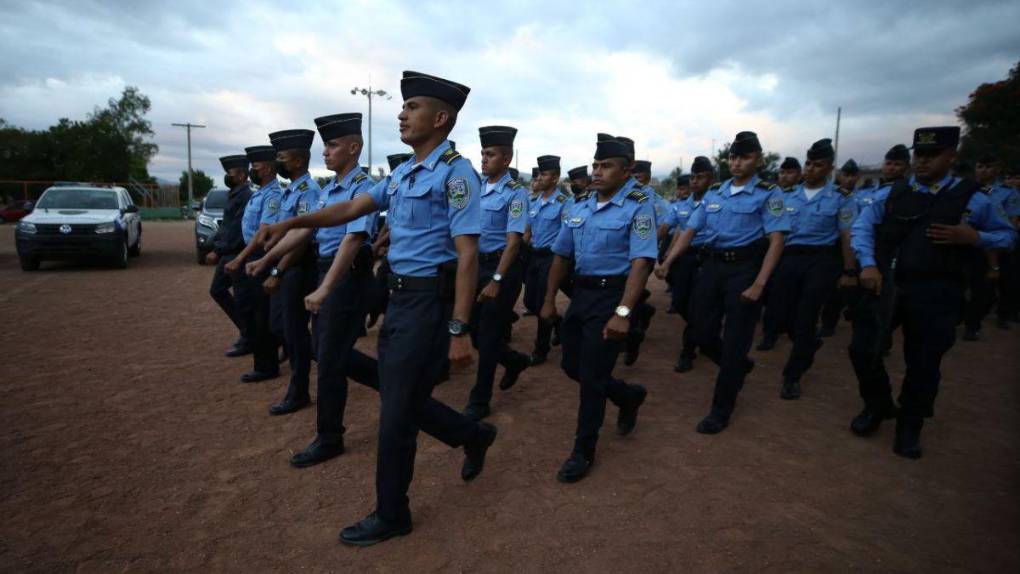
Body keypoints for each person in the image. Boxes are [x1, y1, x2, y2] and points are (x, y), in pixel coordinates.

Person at [257, 70, 498, 546]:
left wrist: (459, 328)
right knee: (402, 401)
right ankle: (471, 435)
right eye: (403, 107)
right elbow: (349, 210)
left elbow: (468, 254)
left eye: (412, 108)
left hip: (431, 301)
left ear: (441, 117)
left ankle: (393, 512)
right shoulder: (404, 174)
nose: (402, 114)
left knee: (395, 417)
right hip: (399, 297)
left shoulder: (457, 174)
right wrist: (294, 220)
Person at [849, 126, 1015, 459]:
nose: (922, 161)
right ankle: (878, 404)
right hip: (888, 284)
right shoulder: (890, 194)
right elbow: (862, 227)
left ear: (951, 156)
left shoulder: (973, 199)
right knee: (862, 349)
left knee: (923, 362)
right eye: (918, 155)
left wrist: (975, 239)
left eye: (931, 155)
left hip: (938, 290)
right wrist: (867, 264)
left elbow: (1009, 236)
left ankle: (911, 424)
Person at [656, 131, 790, 434]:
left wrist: (760, 283)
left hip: (745, 269)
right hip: (713, 267)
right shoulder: (716, 192)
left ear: (756, 159)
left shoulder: (769, 193)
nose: (737, 162)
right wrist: (668, 261)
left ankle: (721, 408)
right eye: (732, 157)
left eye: (743, 157)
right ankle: (739, 366)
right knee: (701, 331)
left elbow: (777, 240)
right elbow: (689, 230)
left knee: (734, 341)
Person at [540, 133, 655, 482]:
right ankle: (627, 395)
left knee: (591, 379)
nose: (598, 172)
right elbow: (561, 254)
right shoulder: (580, 205)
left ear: (626, 171)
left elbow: (642, 261)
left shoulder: (638, 205)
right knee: (572, 366)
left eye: (606, 166)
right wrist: (547, 300)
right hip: (582, 295)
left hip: (612, 296)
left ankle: (582, 450)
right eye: (596, 165)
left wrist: (623, 312)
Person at [766, 139, 858, 399]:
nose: (810, 169)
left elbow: (846, 235)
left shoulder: (841, 198)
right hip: (789, 258)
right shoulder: (784, 196)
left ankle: (792, 375)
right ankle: (808, 344)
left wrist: (849, 271)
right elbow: (773, 231)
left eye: (818, 165)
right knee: (781, 315)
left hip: (821, 260)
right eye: (808, 163)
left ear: (829, 168)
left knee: (806, 316)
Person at [462, 125, 531, 421]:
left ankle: (480, 399)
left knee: (488, 335)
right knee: (476, 332)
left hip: (502, 268)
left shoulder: (516, 194)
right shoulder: (476, 188)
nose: (483, 159)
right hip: (477, 265)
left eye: (489, 154)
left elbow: (514, 241)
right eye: (482, 154)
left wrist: (497, 280)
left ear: (506, 159)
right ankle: (513, 360)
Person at [223, 145, 283, 383]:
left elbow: (262, 233)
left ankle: (266, 365)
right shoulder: (260, 193)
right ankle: (266, 354)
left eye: (255, 167)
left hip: (260, 255)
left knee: (262, 313)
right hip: (252, 255)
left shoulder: (273, 196)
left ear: (267, 168)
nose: (252, 171)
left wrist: (240, 257)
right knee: (249, 307)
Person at [664, 156, 714, 371]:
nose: (695, 181)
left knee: (698, 305)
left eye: (700, 177)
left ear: (710, 178)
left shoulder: (718, 201)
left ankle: (688, 352)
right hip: (684, 257)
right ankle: (705, 333)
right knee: (681, 301)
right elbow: (667, 227)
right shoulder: (680, 205)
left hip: (708, 257)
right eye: (692, 177)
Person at [523, 154, 572, 365]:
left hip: (552, 259)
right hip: (534, 256)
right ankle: (559, 324)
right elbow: (527, 230)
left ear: (554, 178)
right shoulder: (534, 202)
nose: (538, 178)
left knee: (544, 300)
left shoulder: (564, 203)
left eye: (543, 174)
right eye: (539, 174)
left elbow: (567, 234)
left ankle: (540, 349)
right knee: (529, 302)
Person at [208, 154, 252, 357]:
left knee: (242, 299)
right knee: (218, 291)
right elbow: (226, 226)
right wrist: (215, 244)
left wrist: (218, 250)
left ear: (242, 175)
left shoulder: (244, 196)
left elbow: (236, 229)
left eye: (230, 173)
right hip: (228, 252)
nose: (227, 176)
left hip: (237, 254)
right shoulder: (234, 194)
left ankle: (249, 335)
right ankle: (247, 331)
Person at [973, 154, 1020, 332]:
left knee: (1007, 283)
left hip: (1001, 243)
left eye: (988, 167)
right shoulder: (966, 189)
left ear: (997, 169)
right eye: (979, 166)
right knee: (979, 286)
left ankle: (1003, 315)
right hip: (975, 243)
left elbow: (1012, 220)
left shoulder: (1007, 191)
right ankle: (972, 324)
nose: (983, 170)